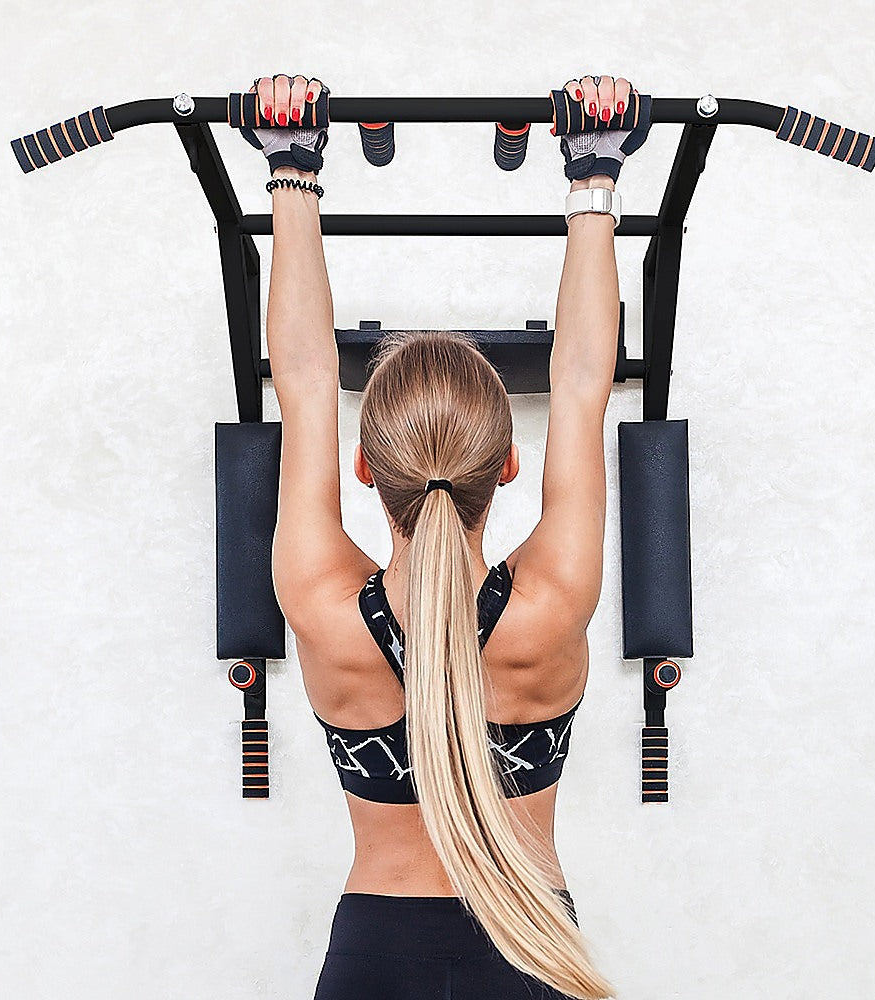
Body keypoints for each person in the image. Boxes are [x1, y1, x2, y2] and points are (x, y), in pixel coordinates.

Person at [240, 71, 650, 1000]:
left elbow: (303, 379)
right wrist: (594, 175)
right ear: (508, 467)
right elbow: (583, 381)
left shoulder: (320, 603)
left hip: (375, 959)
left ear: (362, 471)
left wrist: (292, 169)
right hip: (531, 948)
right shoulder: (550, 603)